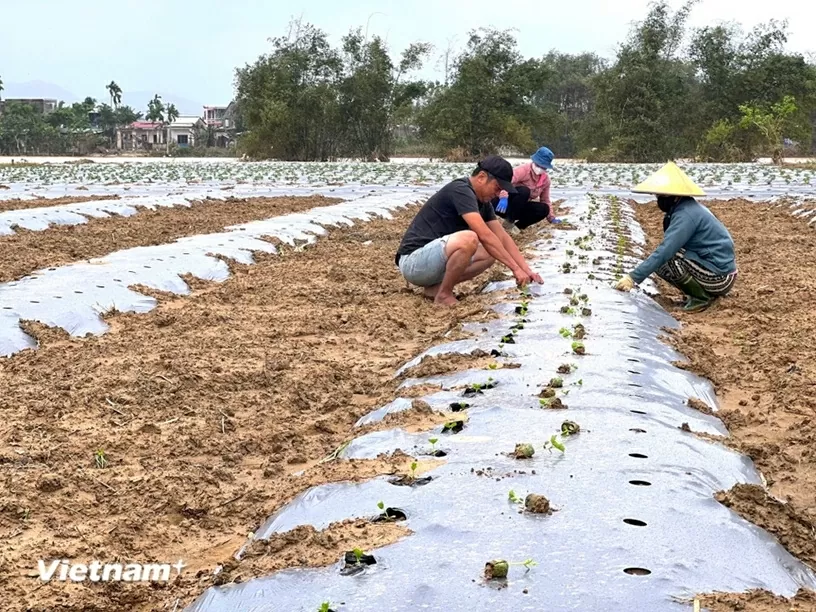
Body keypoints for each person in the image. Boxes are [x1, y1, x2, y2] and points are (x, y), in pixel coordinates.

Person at [396, 155, 543, 306]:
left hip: (433, 260)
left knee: (489, 254)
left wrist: (526, 270)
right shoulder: (461, 190)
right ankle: (444, 296)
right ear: (481, 177)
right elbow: (485, 235)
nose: (498, 194)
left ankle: (437, 289)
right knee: (469, 239)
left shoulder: (483, 203)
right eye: (497, 188)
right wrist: (515, 269)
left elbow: (503, 238)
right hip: (413, 262)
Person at [614, 161, 737, 312]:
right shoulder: (683, 209)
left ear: (676, 196)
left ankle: (701, 298)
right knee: (662, 263)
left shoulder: (686, 214)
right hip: (713, 269)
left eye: (662, 195)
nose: (659, 199)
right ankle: (695, 293)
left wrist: (633, 278)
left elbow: (667, 250)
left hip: (720, 278)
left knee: (670, 258)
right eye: (658, 195)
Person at [494, 146, 561, 233]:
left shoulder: (545, 180)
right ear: (534, 161)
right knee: (524, 191)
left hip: (518, 208)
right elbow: (507, 181)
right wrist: (503, 196)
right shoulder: (523, 170)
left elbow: (545, 199)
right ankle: (509, 222)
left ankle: (517, 228)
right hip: (502, 204)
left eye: (543, 167)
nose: (540, 168)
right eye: (538, 165)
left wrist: (551, 218)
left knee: (544, 209)